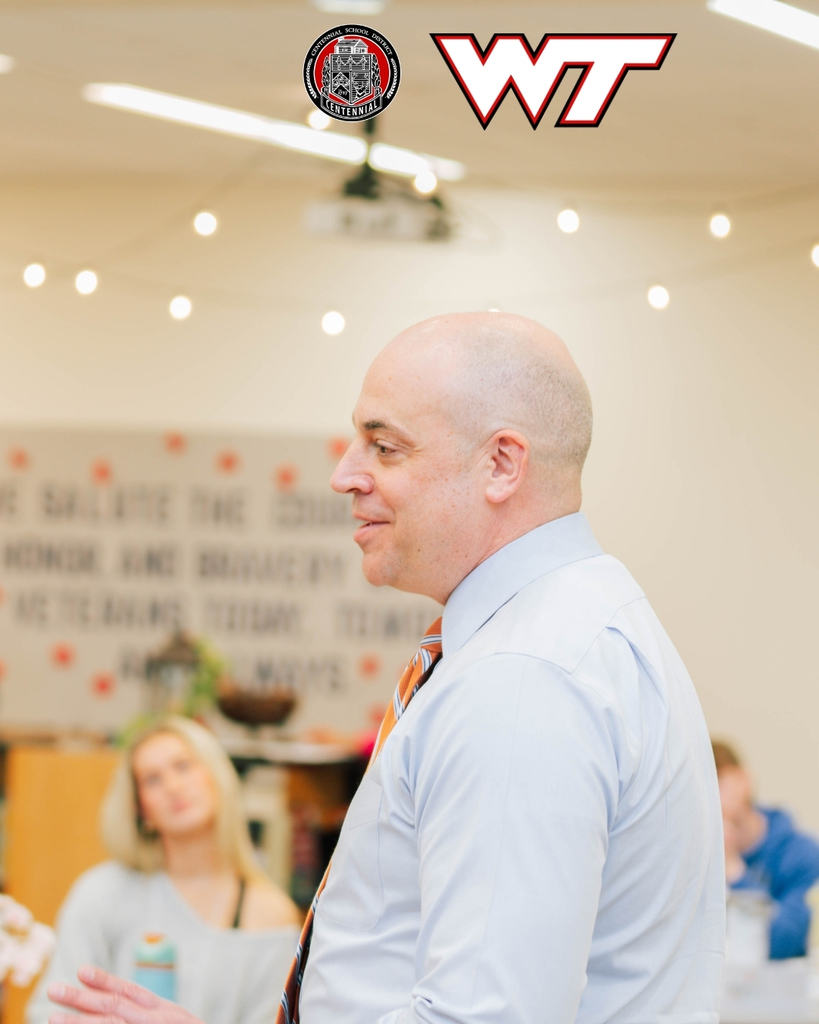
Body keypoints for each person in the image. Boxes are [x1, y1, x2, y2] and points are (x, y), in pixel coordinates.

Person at [49, 312, 725, 1024]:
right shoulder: (572, 624)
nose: (345, 474)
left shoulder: (523, 677)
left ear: (501, 463)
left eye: (384, 446)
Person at [33, 716, 300, 1024]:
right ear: (140, 809)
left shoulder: (272, 915)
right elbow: (48, 1012)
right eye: (152, 779)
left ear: (216, 776)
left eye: (183, 766)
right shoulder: (102, 893)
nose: (173, 786)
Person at [714, 738, 819, 959]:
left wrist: (734, 869)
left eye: (718, 781)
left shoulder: (802, 853)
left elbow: (785, 942)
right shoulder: (695, 856)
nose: (710, 796)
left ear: (744, 780)